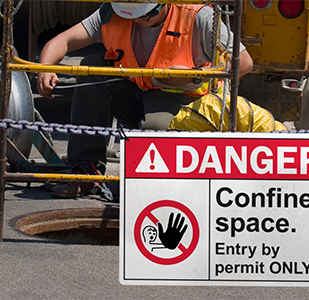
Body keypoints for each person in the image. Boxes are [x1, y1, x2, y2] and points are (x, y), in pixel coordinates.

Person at [36, 2, 253, 198]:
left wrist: (195, 74)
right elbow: (63, 40)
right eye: (130, 14)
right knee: (91, 67)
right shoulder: (113, 12)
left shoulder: (198, 16)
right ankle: (86, 171)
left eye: (143, 15)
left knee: (153, 128)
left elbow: (243, 63)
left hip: (181, 98)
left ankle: (151, 186)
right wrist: (44, 68)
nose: (136, 20)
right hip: (135, 92)